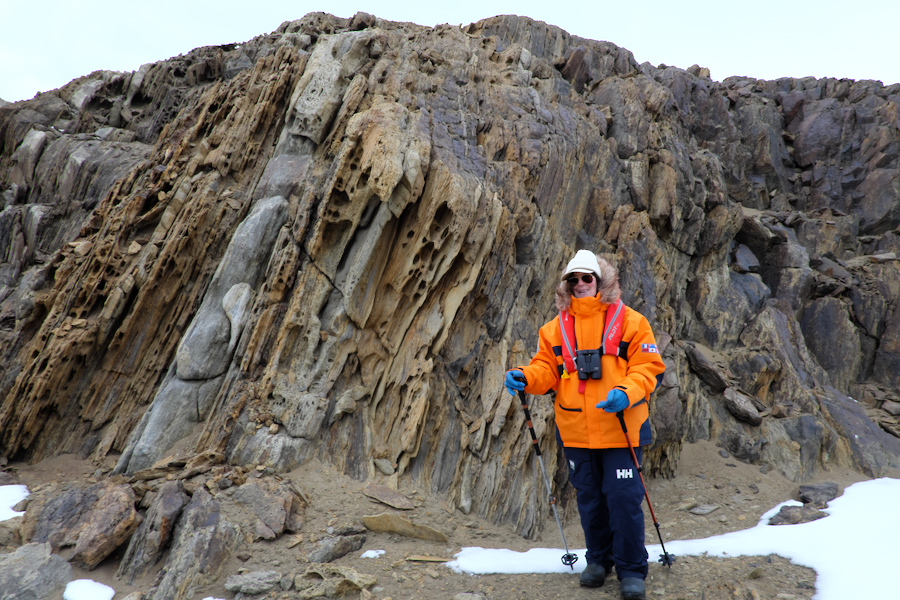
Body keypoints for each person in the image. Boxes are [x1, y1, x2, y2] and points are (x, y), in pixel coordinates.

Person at [505, 249, 666, 600]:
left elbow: (649, 368)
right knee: (590, 501)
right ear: (566, 284)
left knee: (623, 501)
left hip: (621, 430)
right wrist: (525, 375)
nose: (579, 284)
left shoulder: (633, 322)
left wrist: (626, 392)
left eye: (586, 278)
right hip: (577, 432)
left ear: (600, 280)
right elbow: (545, 370)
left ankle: (631, 569)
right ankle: (598, 561)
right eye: (572, 279)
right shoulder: (553, 329)